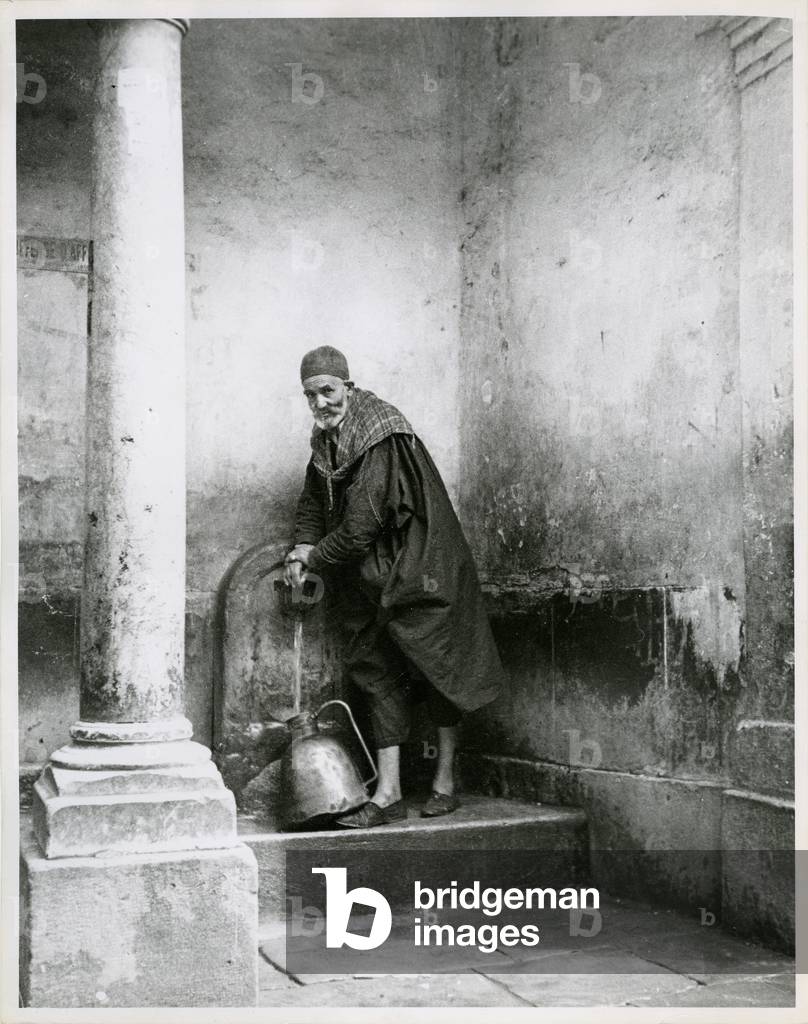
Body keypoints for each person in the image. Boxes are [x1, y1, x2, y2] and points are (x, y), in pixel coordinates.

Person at [284, 345, 502, 827]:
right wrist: (301, 544)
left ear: (348, 386)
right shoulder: (326, 442)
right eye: (310, 395)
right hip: (372, 578)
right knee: (375, 668)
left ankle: (445, 781)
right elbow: (312, 502)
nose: (320, 403)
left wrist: (315, 556)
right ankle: (388, 793)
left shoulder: (378, 432)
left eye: (328, 390)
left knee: (436, 666)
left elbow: (360, 526)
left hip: (421, 567)